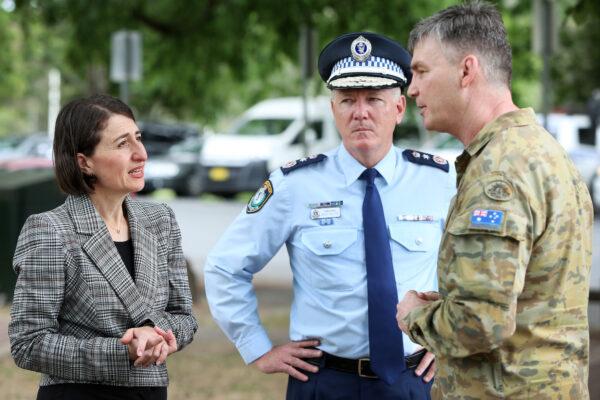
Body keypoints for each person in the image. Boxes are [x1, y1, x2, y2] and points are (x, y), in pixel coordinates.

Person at [204, 32, 456, 400]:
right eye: (347, 100)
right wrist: (256, 347)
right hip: (325, 382)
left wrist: (450, 335)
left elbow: (472, 269)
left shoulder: (440, 180)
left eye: (374, 99)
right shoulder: (295, 185)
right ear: (332, 108)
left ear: (400, 108)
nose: (361, 112)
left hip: (414, 379)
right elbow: (225, 266)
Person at [395, 2, 593, 399]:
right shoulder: (542, 151)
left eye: (421, 72)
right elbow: (527, 295)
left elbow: (481, 322)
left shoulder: (497, 173)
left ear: (467, 71)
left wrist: (414, 316)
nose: (411, 89)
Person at [9, 94, 198, 400]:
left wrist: (157, 336)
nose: (141, 154)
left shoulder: (160, 221)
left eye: (138, 138)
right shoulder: (50, 230)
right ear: (84, 163)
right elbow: (28, 343)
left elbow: (184, 317)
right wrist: (124, 349)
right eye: (123, 144)